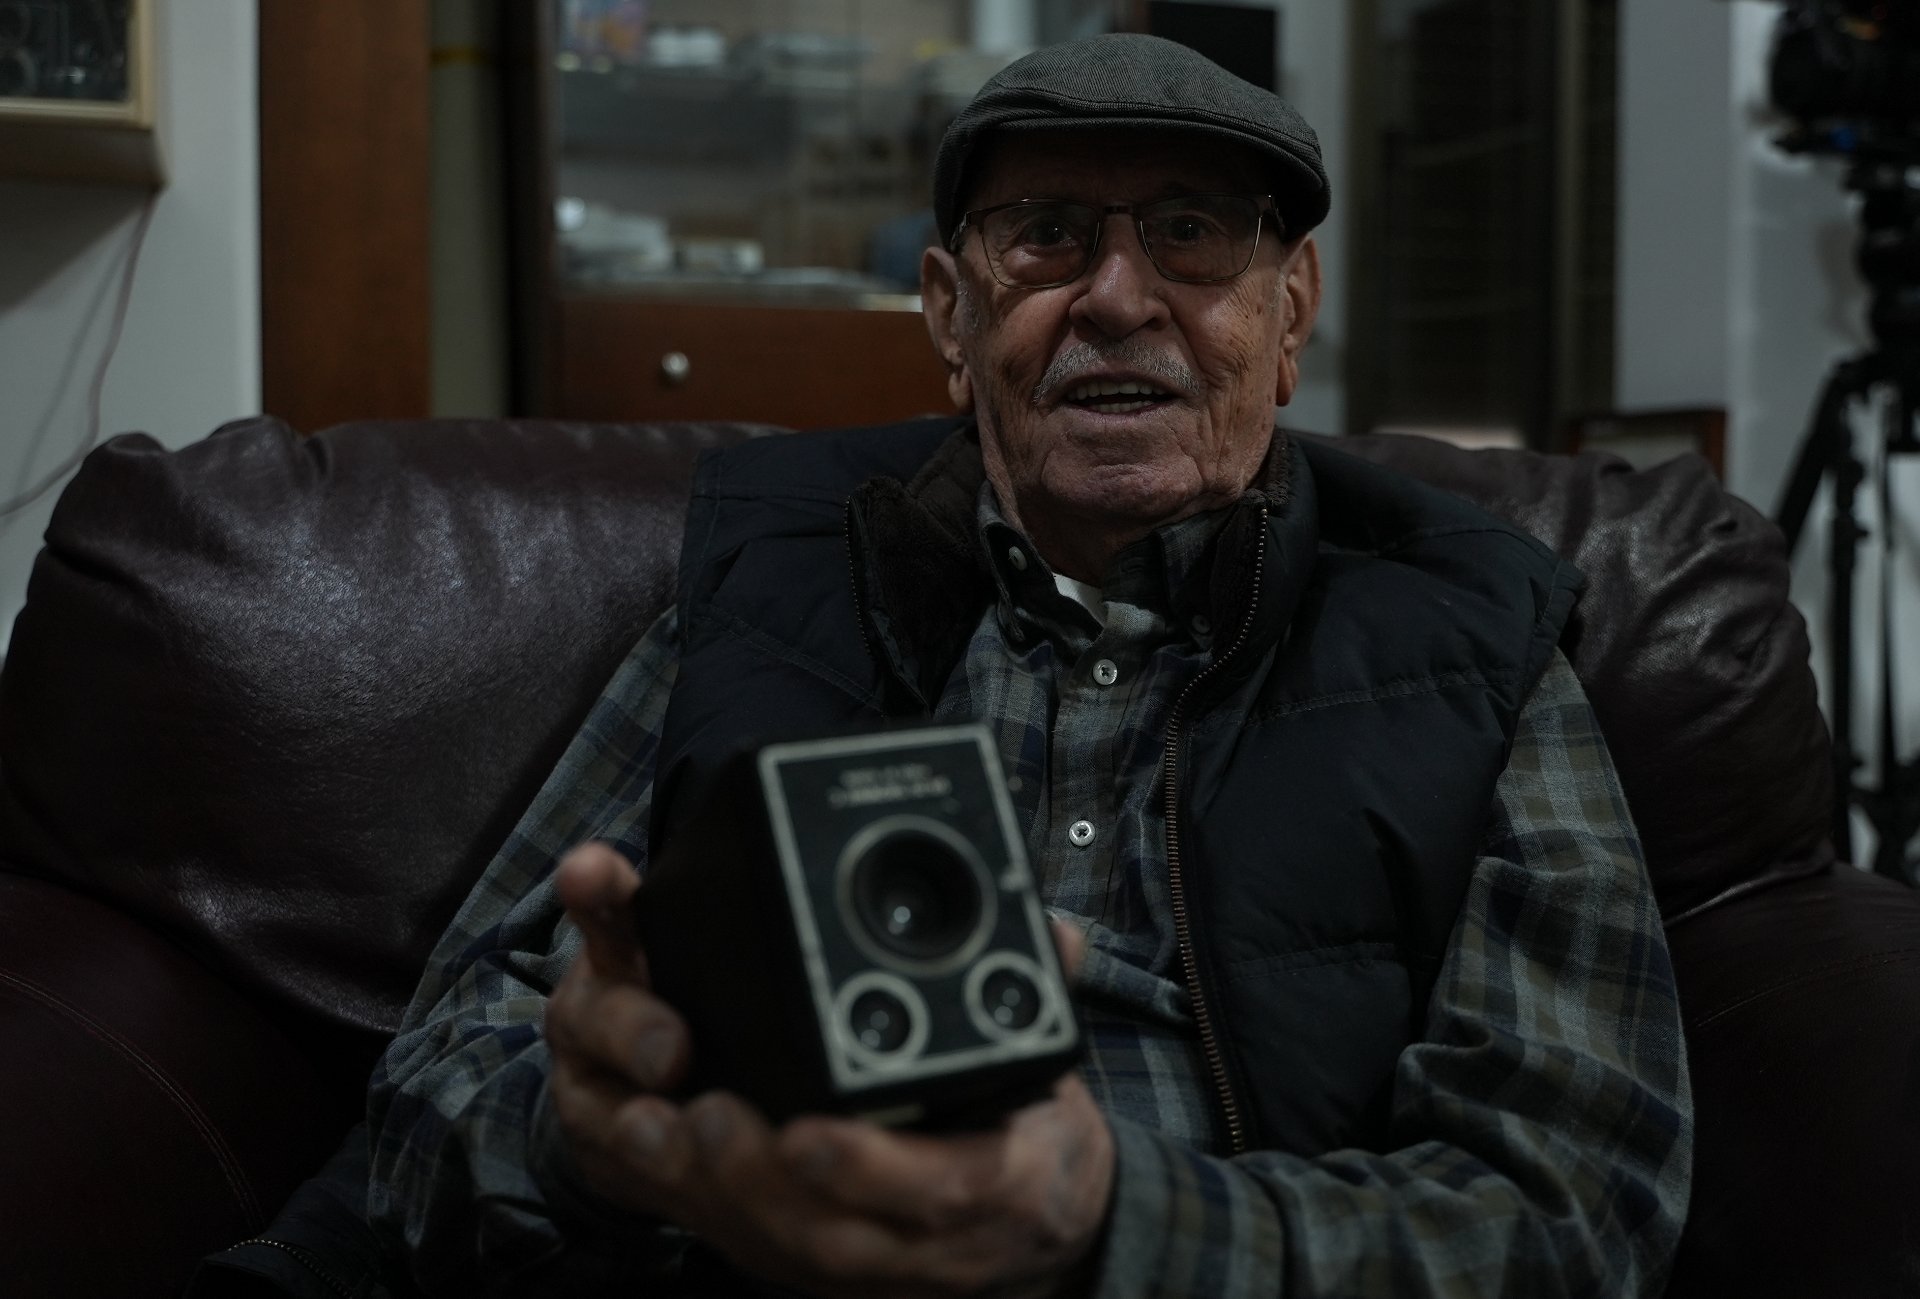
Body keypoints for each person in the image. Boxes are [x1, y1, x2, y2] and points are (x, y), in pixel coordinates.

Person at [367, 33, 1690, 1298]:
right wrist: (587, 1151)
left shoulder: (1473, 635)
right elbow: (437, 1091)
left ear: (1290, 314)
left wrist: (1112, 1230)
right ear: (953, 317)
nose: (1115, 298)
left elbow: (1574, 1205)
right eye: (1047, 233)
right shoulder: (773, 578)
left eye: (1191, 233)